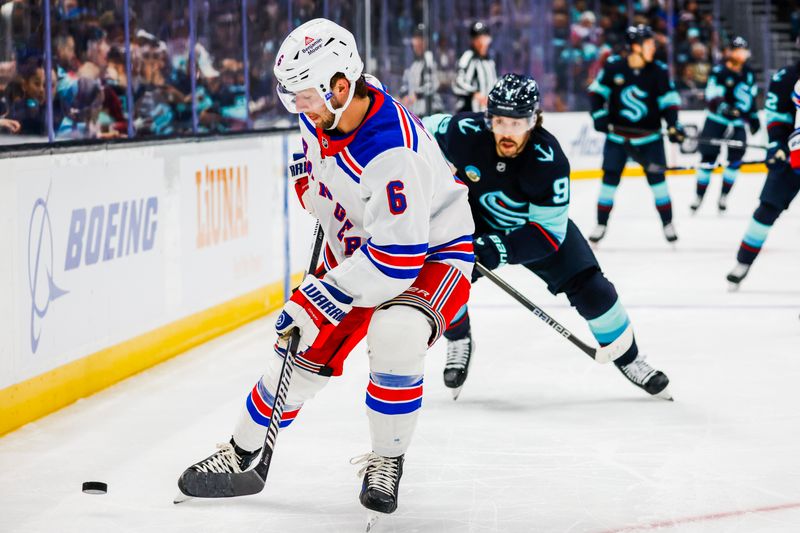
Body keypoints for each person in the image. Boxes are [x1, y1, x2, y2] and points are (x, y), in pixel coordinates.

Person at [176, 19, 475, 518]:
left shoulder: (391, 151)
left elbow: (398, 261)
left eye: (306, 97)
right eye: (292, 97)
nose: (299, 109)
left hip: (429, 253)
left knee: (396, 329)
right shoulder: (327, 108)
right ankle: (243, 448)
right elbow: (316, 156)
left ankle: (387, 458)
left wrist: (322, 294)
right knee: (297, 359)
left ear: (341, 85)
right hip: (363, 246)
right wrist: (312, 186)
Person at [423, 73, 672, 401]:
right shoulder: (464, 131)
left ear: (534, 119)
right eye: (500, 121)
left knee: (595, 291)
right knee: (442, 278)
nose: (507, 132)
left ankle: (630, 358)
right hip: (475, 221)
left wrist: (498, 247)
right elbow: (412, 131)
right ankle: (458, 338)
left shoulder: (549, 160)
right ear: (489, 118)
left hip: (535, 231)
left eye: (518, 122)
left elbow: (548, 233)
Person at [587, 24, 687, 244]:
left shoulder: (658, 70)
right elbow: (596, 93)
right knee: (609, 181)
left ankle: (668, 223)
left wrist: (673, 124)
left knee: (658, 182)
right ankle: (601, 223)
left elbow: (669, 102)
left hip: (650, 139)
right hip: (618, 139)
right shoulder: (614, 67)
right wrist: (598, 116)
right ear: (635, 46)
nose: (653, 47)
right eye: (649, 43)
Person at [726, 62, 800, 288]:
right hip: (792, 156)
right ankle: (743, 262)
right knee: (767, 208)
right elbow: (777, 116)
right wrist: (778, 143)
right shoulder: (787, 77)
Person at [690, 36, 759, 213]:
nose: (742, 53)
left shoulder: (749, 73)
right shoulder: (719, 71)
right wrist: (723, 107)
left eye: (744, 50)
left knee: (735, 160)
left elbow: (750, 97)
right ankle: (699, 196)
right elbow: (711, 95)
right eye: (738, 50)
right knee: (708, 158)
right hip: (716, 121)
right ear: (731, 52)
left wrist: (753, 117)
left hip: (737, 123)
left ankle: (723, 196)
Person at [452, 21, 497, 113]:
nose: (481, 42)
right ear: (472, 41)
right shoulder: (468, 57)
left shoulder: (490, 60)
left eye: (484, 38)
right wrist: (474, 93)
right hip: (470, 113)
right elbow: (457, 83)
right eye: (477, 38)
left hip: (487, 112)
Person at [399, 23, 442, 117]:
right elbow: (405, 84)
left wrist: (416, 94)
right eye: (417, 38)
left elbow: (433, 84)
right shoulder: (412, 63)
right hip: (414, 112)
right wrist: (403, 95)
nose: (418, 42)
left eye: (422, 39)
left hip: (430, 112)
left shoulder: (429, 58)